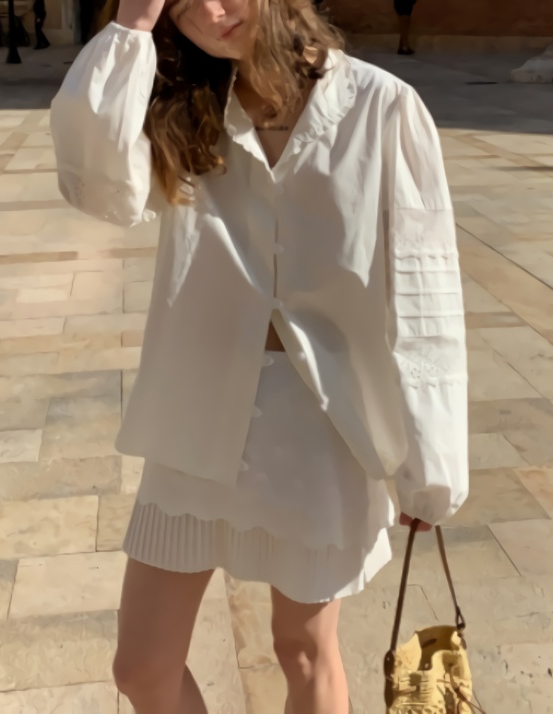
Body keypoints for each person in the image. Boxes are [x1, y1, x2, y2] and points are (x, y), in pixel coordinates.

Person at [50, 0, 469, 710]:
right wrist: (131, 28)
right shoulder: (179, 102)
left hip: (321, 430)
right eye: (182, 5)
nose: (209, 14)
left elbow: (423, 287)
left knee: (303, 651)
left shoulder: (382, 108)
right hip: (195, 417)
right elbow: (97, 190)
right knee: (142, 668)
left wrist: (430, 465)